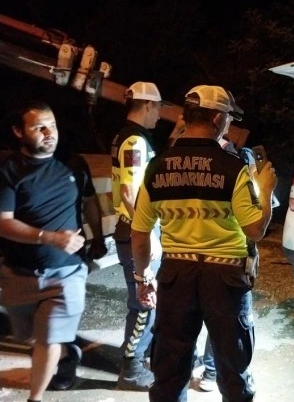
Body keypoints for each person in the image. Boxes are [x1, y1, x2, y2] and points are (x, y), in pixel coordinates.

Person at [130, 85, 277, 402]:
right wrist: (265, 191)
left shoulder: (157, 166)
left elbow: (140, 234)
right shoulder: (233, 168)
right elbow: (255, 230)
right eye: (228, 118)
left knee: (169, 373)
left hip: (175, 276)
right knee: (234, 371)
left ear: (186, 116)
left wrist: (143, 277)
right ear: (216, 119)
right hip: (225, 279)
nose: (228, 124)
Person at [0, 100, 107, 402]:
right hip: (19, 274)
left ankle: (35, 398)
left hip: (67, 272)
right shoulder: (8, 171)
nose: (50, 133)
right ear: (18, 131)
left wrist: (97, 236)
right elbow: (3, 222)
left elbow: (89, 202)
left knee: (47, 340)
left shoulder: (73, 164)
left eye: (53, 126)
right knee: (31, 338)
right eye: (39, 127)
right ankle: (67, 352)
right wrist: (49, 237)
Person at [110, 81, 167, 390]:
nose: (159, 114)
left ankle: (141, 357)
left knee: (146, 299)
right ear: (148, 105)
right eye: (158, 108)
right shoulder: (135, 141)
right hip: (136, 230)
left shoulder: (124, 136)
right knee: (144, 302)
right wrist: (146, 234)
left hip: (131, 228)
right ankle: (131, 369)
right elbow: (129, 192)